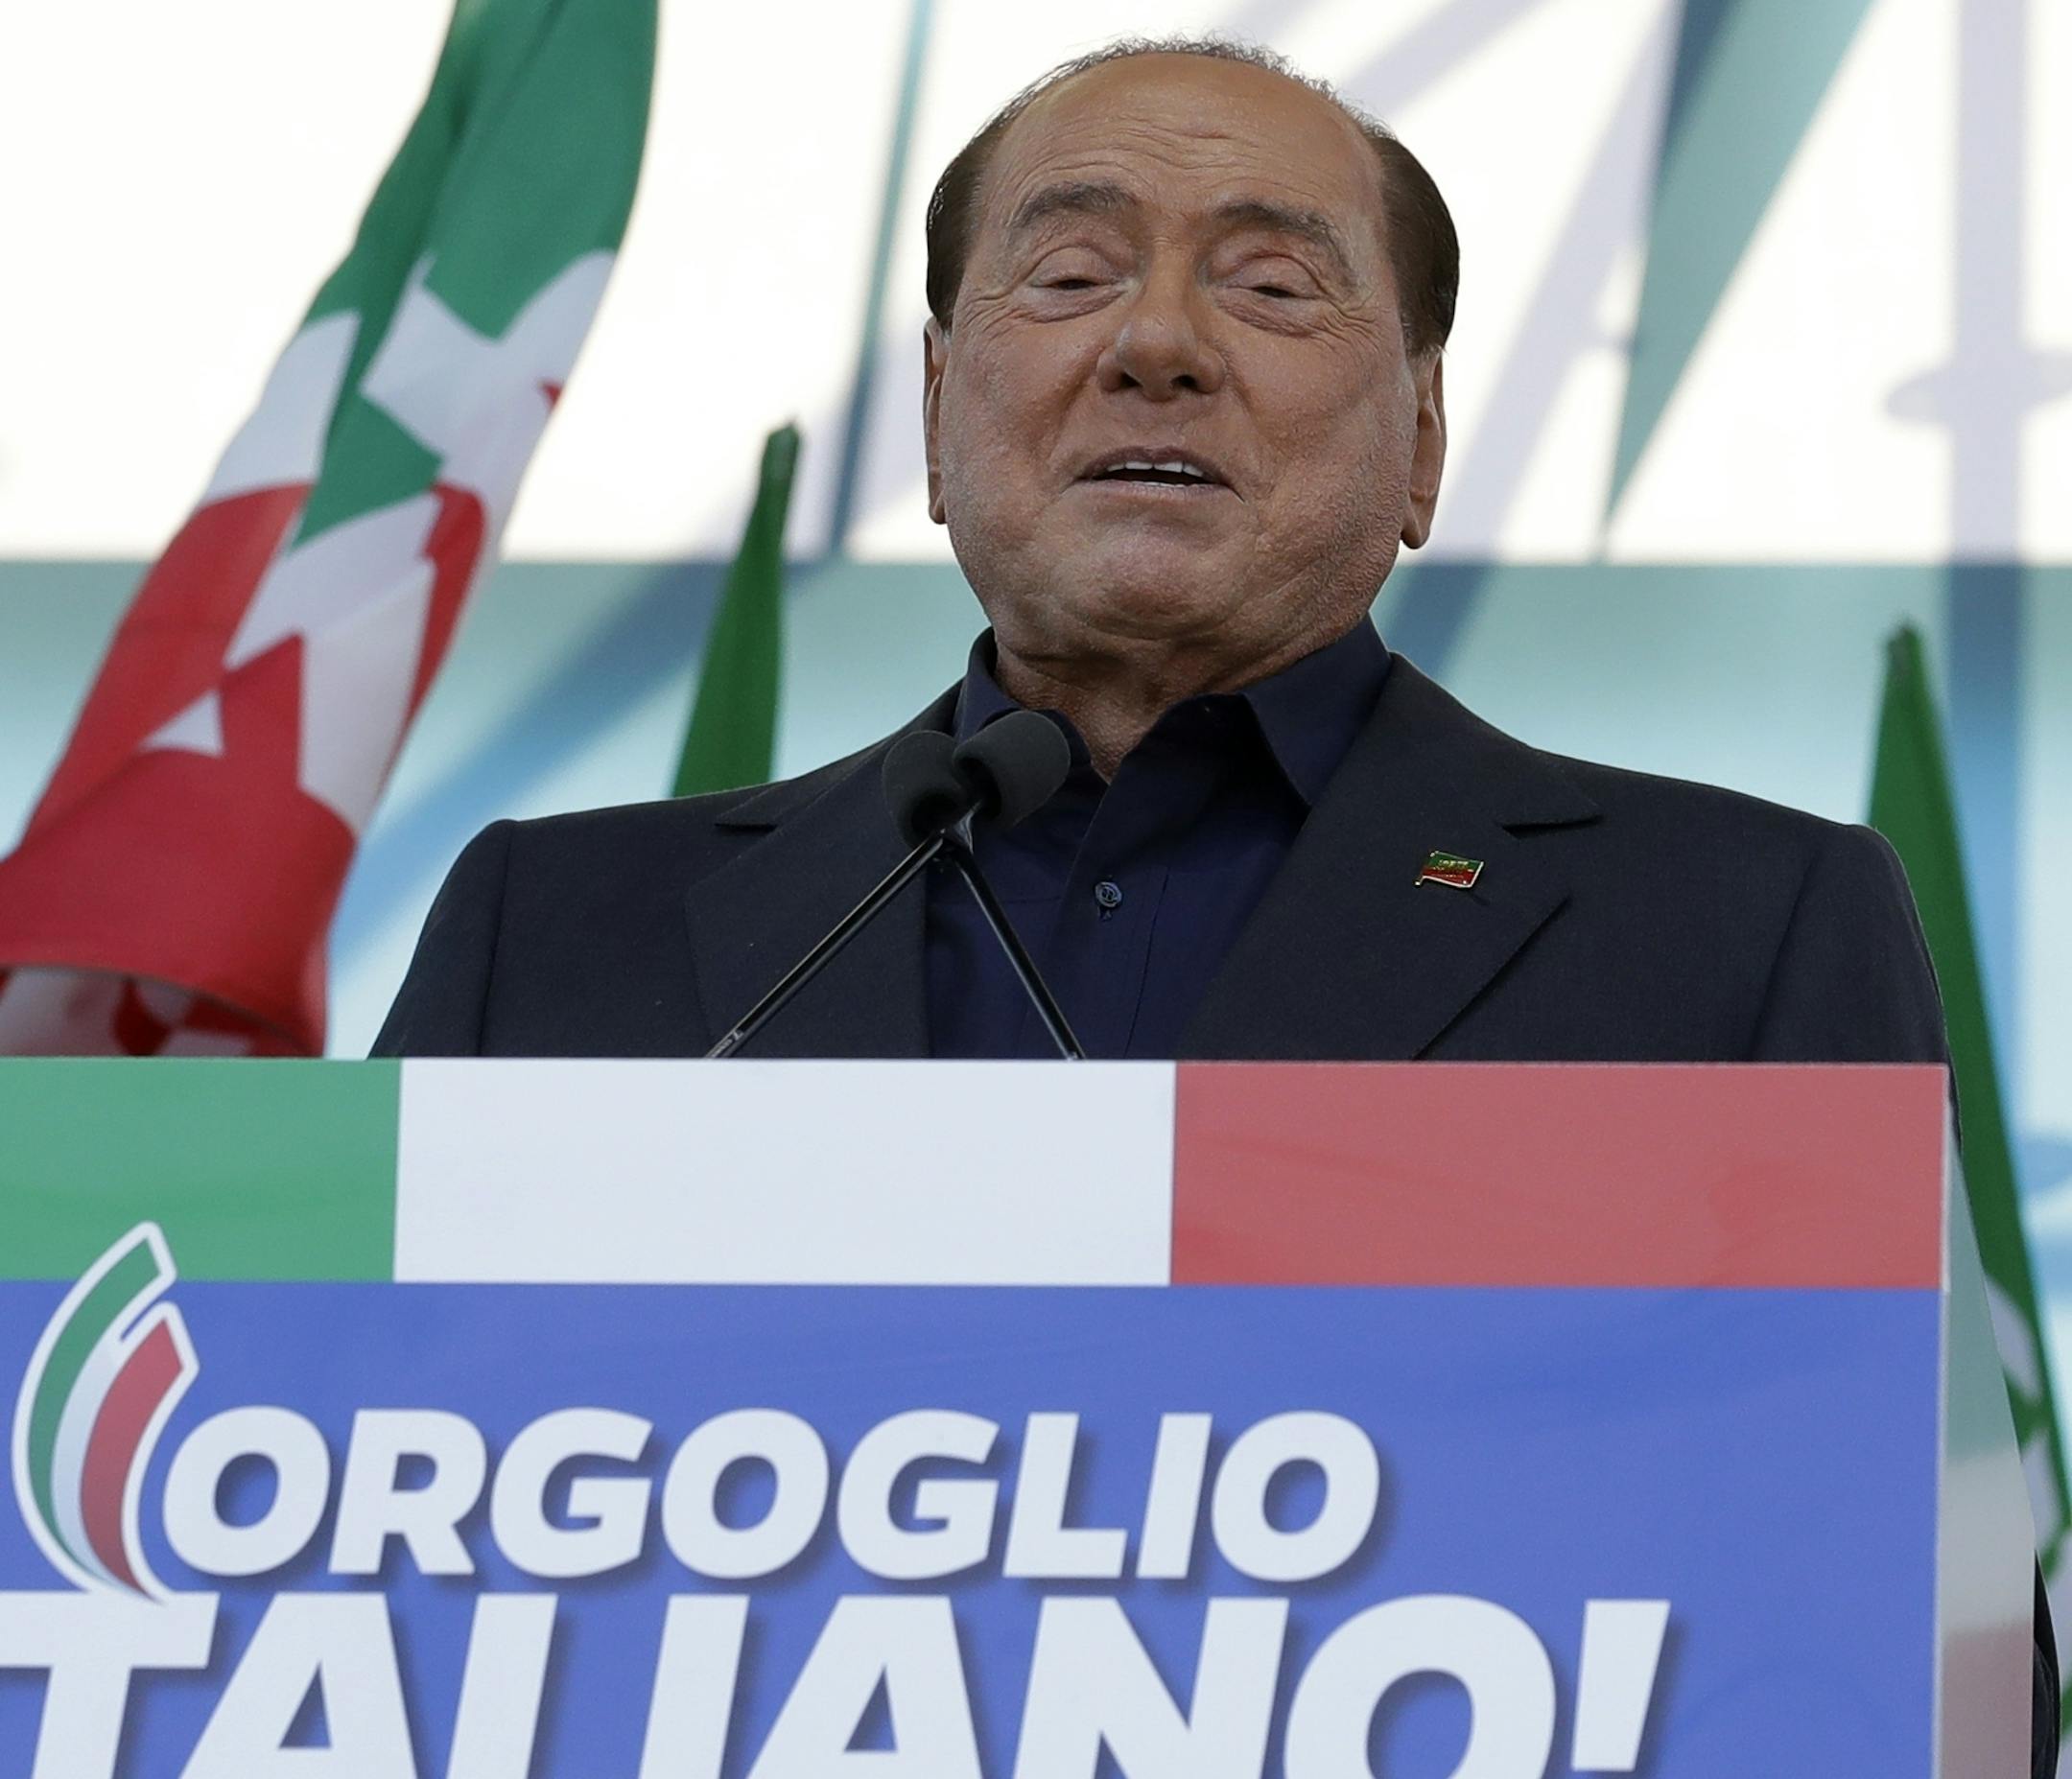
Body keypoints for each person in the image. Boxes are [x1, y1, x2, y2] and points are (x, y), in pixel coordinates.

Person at [373, 38, 2056, 1767]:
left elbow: (1930, 1667)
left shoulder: (1739, 930)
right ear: (942, 414)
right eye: (1070, 276)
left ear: (1423, 439)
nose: (1156, 345)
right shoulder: (555, 931)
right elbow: (341, 1545)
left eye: (1270, 287)